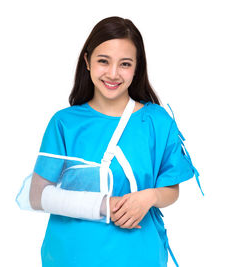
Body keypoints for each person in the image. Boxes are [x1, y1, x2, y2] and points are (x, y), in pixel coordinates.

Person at [24, 16, 203, 267]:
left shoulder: (156, 121)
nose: (113, 73)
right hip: (70, 255)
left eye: (125, 64)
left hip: (138, 255)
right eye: (103, 61)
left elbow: (171, 190)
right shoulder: (65, 122)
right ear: (87, 61)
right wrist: (102, 205)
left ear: (136, 67)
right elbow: (37, 196)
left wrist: (149, 197)